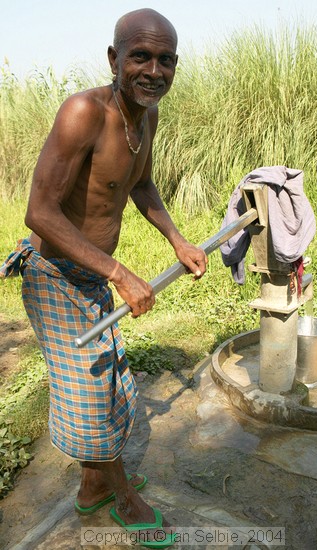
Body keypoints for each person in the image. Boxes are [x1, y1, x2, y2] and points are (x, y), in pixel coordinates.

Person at [0, 8, 207, 548]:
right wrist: (119, 271)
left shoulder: (147, 115)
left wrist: (177, 239)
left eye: (165, 60)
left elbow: (141, 185)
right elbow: (39, 211)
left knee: (110, 380)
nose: (153, 70)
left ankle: (92, 490)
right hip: (54, 274)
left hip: (90, 277)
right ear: (114, 59)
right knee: (92, 394)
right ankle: (123, 497)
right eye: (140, 56)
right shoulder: (82, 113)